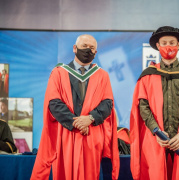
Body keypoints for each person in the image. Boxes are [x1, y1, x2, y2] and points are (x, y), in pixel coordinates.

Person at [31, 34, 119, 180]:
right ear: (74, 48)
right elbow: (54, 103)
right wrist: (76, 122)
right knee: (64, 173)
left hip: (91, 133)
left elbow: (107, 103)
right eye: (84, 46)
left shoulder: (102, 75)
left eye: (92, 48)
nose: (88, 50)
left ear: (96, 53)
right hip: (66, 132)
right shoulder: (59, 73)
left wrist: (90, 119)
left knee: (90, 174)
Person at [130, 26, 179, 180]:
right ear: (158, 46)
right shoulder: (148, 74)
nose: (168, 46)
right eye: (164, 43)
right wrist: (155, 130)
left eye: (172, 42)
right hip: (156, 140)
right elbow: (143, 106)